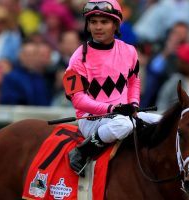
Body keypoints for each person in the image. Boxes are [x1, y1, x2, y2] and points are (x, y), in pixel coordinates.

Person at [63, 0, 161, 176]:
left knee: (164, 121)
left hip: (123, 114)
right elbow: (77, 99)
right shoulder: (78, 57)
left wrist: (134, 105)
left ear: (116, 24)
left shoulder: (130, 51)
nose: (98, 27)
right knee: (123, 125)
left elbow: (133, 81)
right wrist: (111, 108)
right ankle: (82, 151)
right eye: (93, 22)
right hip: (92, 119)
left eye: (104, 22)